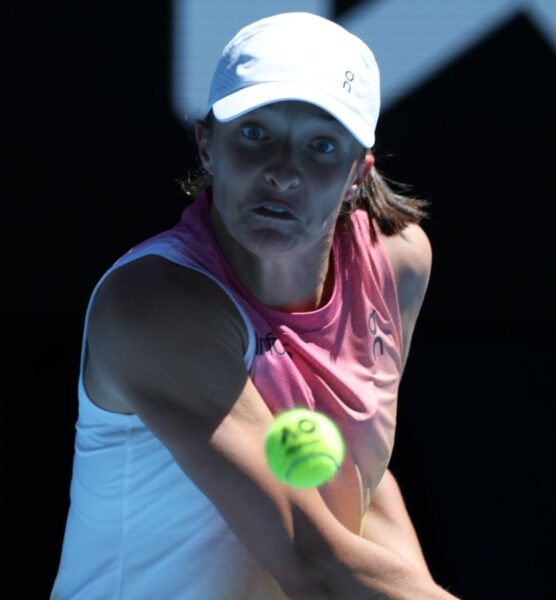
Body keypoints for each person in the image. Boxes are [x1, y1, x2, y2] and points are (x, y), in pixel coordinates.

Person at [51, 12, 460, 600]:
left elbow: (353, 475)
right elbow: (313, 562)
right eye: (254, 134)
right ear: (207, 144)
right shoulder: (153, 305)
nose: (282, 173)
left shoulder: (397, 265)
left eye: (320, 145)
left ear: (356, 174)